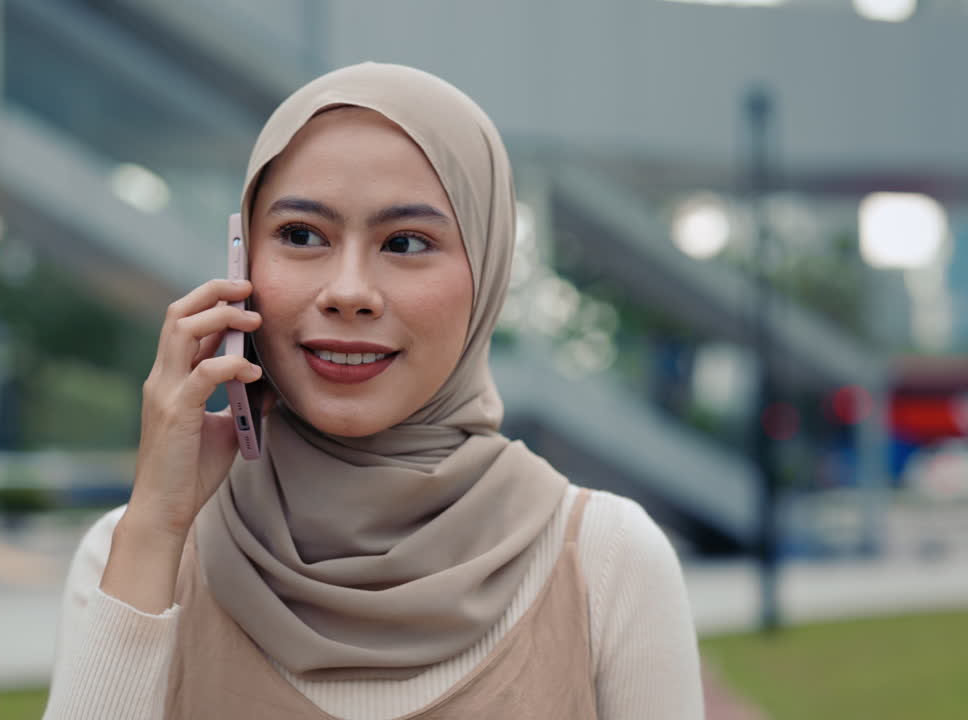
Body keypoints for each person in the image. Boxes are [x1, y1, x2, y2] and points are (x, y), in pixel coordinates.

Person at [42, 62, 704, 719]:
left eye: (407, 242)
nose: (350, 292)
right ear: (243, 262)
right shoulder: (134, 557)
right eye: (301, 236)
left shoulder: (606, 563)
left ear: (489, 269)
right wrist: (156, 528)